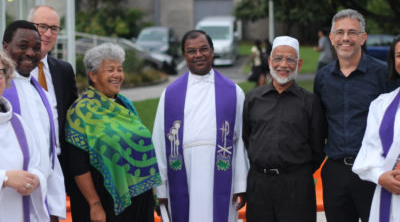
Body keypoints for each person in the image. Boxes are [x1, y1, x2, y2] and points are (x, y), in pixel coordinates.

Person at [152, 30, 248, 222]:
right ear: (184, 55)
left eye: (203, 49)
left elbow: (242, 142)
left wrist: (240, 184)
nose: (198, 55)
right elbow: (160, 144)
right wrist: (160, 188)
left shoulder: (233, 92)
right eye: (191, 51)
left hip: (221, 177)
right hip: (183, 175)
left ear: (212, 51)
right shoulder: (169, 94)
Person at [65, 43, 161, 222]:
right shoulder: (81, 113)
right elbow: (78, 166)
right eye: (110, 69)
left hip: (142, 199)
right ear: (93, 75)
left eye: (120, 69)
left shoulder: (125, 105)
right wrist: (95, 204)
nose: (117, 75)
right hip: (109, 203)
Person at [314, 9, 390, 222]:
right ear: (331, 37)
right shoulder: (322, 78)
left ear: (363, 37)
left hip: (374, 172)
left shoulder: (383, 74)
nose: (345, 38)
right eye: (339, 32)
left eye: (352, 32)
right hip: (335, 172)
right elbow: (320, 125)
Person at [243, 36, 326, 222]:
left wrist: (294, 171)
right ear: (270, 61)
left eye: (290, 59)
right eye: (278, 58)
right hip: (259, 185)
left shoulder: (310, 102)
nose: (283, 65)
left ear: (299, 64)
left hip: (296, 185)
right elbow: (247, 137)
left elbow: (318, 148)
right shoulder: (253, 98)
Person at [2, 20, 66, 221]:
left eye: (36, 48)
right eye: (23, 46)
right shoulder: (4, 95)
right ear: (5, 47)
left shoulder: (41, 93)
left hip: (39, 200)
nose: (30, 53)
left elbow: (49, 154)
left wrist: (54, 206)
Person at [27, 5, 78, 192]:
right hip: (27, 166)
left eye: (54, 28)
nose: (48, 34)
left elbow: (73, 117)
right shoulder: (12, 71)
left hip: (60, 163)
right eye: (42, 26)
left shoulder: (64, 70)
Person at [353, 35, 400, 222]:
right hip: (390, 193)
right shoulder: (381, 105)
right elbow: (369, 150)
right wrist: (381, 176)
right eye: (398, 55)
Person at [0, 50, 48, 222]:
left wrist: (35, 179)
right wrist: (4, 178)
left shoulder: (17, 123)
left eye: (0, 72)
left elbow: (36, 163)